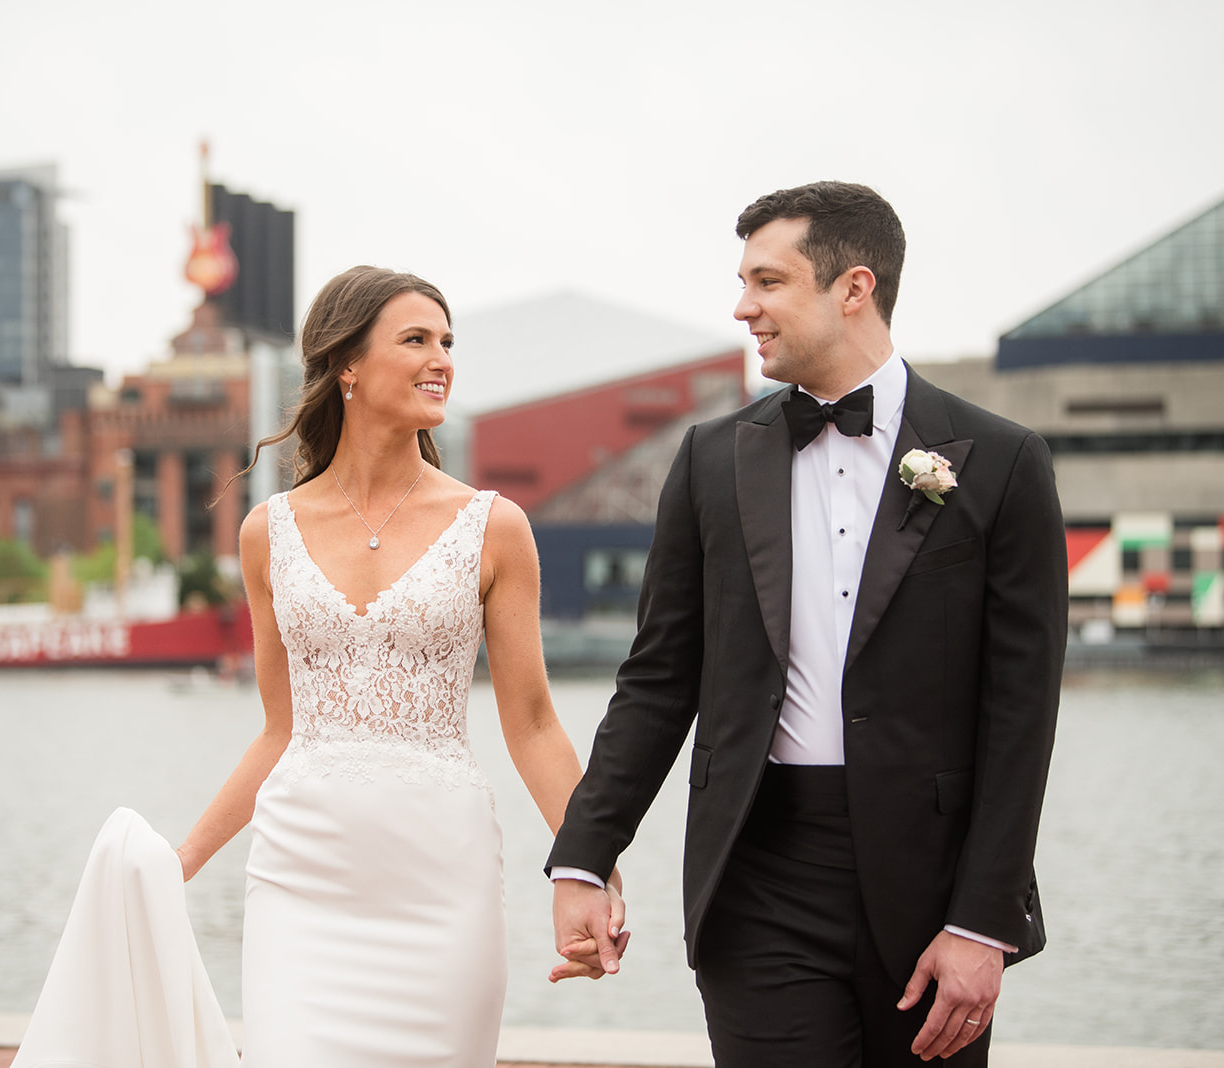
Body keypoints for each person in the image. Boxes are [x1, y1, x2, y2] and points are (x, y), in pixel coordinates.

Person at [547, 182, 1066, 1066]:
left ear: (853, 288)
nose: (743, 307)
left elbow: (1021, 713)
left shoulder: (1005, 462)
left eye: (768, 281)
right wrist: (583, 859)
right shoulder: (710, 460)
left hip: (931, 881)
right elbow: (660, 677)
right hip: (759, 871)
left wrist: (986, 921)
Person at [175, 265, 623, 1066]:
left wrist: (595, 863)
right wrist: (180, 862)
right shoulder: (265, 532)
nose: (440, 359)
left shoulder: (495, 527)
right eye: (415, 339)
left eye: (447, 342)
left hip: (440, 881)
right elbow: (280, 730)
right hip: (299, 880)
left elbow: (531, 724)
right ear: (347, 365)